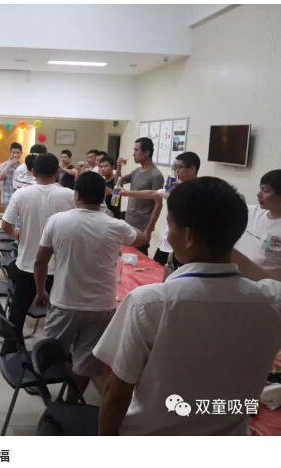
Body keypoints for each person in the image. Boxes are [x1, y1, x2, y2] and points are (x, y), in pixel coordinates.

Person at [93, 177, 281, 436]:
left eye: (170, 226)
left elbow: (115, 395)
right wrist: (223, 244)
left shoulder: (147, 303)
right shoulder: (272, 301)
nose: (168, 235)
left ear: (189, 236)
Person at [34, 172, 147, 401]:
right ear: (103, 197)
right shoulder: (115, 225)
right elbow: (142, 238)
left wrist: (40, 291)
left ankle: (47, 396)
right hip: (101, 307)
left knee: (51, 353)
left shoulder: (57, 221)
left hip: (64, 301)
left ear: (76, 195)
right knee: (86, 363)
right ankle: (70, 403)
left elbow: (40, 261)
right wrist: (156, 209)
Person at [0, 153, 75, 357]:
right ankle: (55, 356)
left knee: (18, 311)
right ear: (57, 173)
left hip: (27, 264)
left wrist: (17, 234)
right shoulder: (69, 195)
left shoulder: (21, 194)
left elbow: (5, 225)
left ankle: (10, 350)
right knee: (59, 314)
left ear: (33, 172)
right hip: (58, 267)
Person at [120, 152, 200, 269]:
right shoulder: (175, 187)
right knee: (154, 271)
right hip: (165, 243)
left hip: (181, 248)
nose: (176, 171)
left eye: (179, 167)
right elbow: (154, 193)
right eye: (175, 167)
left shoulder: (199, 191)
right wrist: (127, 193)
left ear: (192, 169)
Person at [114, 138, 165, 255]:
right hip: (129, 220)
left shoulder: (156, 175)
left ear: (146, 152)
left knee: (139, 257)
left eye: (136, 150)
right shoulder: (137, 171)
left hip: (142, 225)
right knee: (125, 255)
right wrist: (119, 168)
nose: (133, 154)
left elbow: (158, 205)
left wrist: (148, 230)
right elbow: (118, 182)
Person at [234, 169, 281, 275]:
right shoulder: (251, 212)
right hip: (238, 277)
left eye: (265, 190)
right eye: (260, 189)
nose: (259, 194)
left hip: (267, 284)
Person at [0, 142, 23, 212]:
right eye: (13, 152)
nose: (15, 155)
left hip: (19, 198)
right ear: (10, 153)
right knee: (8, 218)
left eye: (18, 153)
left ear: (21, 154)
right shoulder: (4, 165)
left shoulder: (22, 167)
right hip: (7, 198)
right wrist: (9, 165)